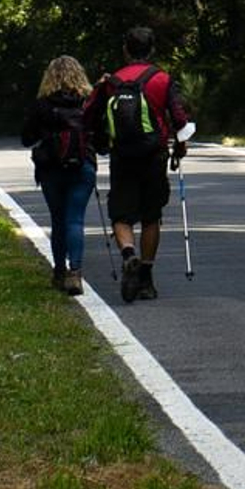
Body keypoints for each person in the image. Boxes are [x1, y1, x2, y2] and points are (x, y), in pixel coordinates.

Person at [84, 26, 192, 303]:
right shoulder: (162, 79)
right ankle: (146, 278)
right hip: (154, 155)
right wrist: (180, 147)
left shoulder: (111, 82)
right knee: (150, 215)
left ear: (126, 49)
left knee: (121, 214)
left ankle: (128, 254)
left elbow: (89, 115)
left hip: (122, 155)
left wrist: (98, 143)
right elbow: (179, 119)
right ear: (152, 49)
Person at [20, 55, 97, 296]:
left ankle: (59, 272)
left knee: (58, 219)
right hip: (82, 166)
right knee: (75, 220)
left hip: (51, 168)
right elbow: (101, 136)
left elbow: (27, 138)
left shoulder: (42, 104)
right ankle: (75, 272)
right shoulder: (88, 103)